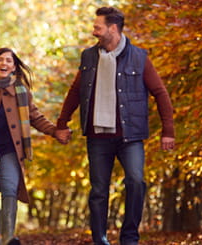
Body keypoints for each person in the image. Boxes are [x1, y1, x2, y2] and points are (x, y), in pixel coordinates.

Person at [54, 6, 175, 245]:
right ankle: (100, 239)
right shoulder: (89, 56)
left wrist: (168, 131)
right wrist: (61, 123)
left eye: (97, 27)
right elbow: (76, 91)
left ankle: (129, 238)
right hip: (97, 137)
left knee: (135, 181)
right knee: (99, 190)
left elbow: (160, 93)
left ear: (112, 28)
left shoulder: (139, 57)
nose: (94, 32)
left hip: (129, 137)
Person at [0, 48, 67, 245]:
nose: (4, 63)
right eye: (0, 59)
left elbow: (35, 117)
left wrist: (54, 131)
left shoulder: (21, 92)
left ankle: (8, 238)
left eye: (9, 60)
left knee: (9, 189)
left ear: (14, 67)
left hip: (10, 150)